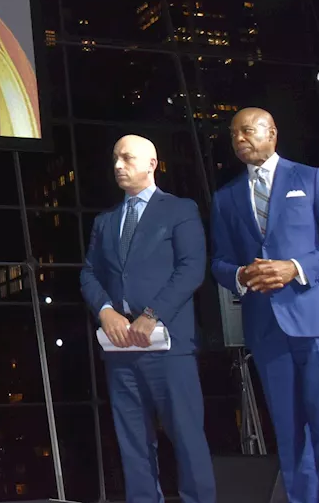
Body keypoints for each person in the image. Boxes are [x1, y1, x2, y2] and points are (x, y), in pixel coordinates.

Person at [210, 108, 319, 503]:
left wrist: (294, 268)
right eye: (233, 134)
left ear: (271, 132)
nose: (239, 138)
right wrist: (242, 275)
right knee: (290, 435)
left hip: (315, 321)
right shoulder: (225, 198)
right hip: (265, 329)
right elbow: (220, 262)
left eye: (247, 130)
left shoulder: (310, 179)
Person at [80, 135, 215, 503]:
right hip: (121, 349)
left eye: (127, 158)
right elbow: (89, 273)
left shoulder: (179, 209)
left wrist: (152, 314)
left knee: (186, 437)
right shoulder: (105, 220)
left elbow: (191, 269)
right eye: (114, 159)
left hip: (167, 348)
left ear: (152, 163)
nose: (118, 165)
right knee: (133, 443)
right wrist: (105, 311)